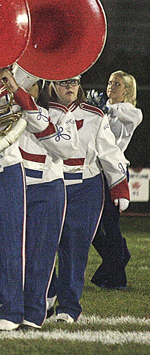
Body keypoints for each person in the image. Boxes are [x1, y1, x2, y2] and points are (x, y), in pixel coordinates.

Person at [0, 65, 61, 331]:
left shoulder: (16, 93)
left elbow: (42, 126)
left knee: (9, 250)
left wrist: (17, 91)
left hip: (6, 175)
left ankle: (13, 311)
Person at [45, 76, 130, 322]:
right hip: (49, 185)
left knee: (75, 249)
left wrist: (119, 187)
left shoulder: (95, 116)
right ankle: (46, 294)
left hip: (85, 189)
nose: (69, 87)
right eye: (63, 83)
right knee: (42, 245)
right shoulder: (40, 113)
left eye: (74, 82)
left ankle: (68, 307)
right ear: (52, 85)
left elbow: (110, 152)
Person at [18, 80, 78, 329]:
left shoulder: (61, 113)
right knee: (5, 252)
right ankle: (5, 305)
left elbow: (66, 149)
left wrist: (34, 115)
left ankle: (33, 313)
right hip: (11, 187)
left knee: (38, 255)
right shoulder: (5, 108)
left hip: (46, 188)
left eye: (30, 83)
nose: (25, 88)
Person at [90, 70, 143, 289]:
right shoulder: (104, 108)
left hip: (114, 172)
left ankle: (117, 275)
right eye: (110, 82)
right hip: (95, 170)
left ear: (127, 90)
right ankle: (120, 257)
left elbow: (123, 114)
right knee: (92, 225)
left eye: (117, 84)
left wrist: (101, 109)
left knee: (109, 224)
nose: (111, 87)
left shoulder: (132, 112)